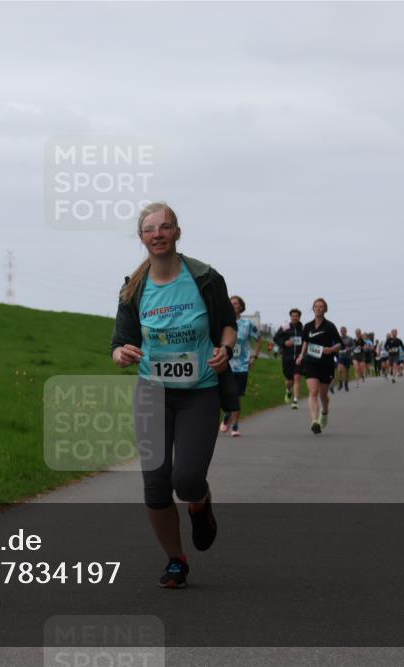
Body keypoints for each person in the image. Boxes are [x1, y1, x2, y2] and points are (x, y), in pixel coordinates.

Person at [111, 202, 237, 589]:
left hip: (199, 392)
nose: (158, 234)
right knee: (155, 481)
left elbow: (228, 327)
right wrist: (121, 354)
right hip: (152, 391)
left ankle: (200, 504)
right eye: (150, 229)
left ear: (177, 232)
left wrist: (225, 350)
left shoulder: (205, 278)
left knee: (187, 479)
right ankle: (175, 560)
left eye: (165, 227)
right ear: (142, 238)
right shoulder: (133, 288)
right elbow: (120, 344)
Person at [295, 298, 341, 434]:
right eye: (316, 306)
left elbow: (339, 344)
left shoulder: (330, 326)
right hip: (311, 362)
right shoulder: (308, 326)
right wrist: (301, 355)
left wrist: (331, 349)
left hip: (326, 363)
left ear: (325, 309)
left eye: (321, 307)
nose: (318, 308)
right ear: (313, 308)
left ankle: (325, 412)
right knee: (313, 391)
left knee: (323, 395)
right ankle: (314, 421)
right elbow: (305, 342)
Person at [219, 296, 260, 437]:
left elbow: (259, 338)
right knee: (226, 394)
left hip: (242, 366)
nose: (232, 305)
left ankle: (234, 424)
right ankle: (227, 415)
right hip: (225, 364)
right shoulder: (222, 322)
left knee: (237, 395)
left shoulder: (247, 324)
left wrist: (255, 356)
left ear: (241, 307)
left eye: (235, 303)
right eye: (230, 302)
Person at [273, 308, 305, 410]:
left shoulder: (303, 328)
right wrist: (284, 343)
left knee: (297, 378)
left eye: (296, 316)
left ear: (299, 317)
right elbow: (276, 338)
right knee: (289, 380)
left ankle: (295, 401)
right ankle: (288, 391)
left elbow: (307, 340)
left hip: (299, 357)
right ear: (290, 317)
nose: (294, 318)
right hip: (287, 357)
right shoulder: (285, 327)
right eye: (293, 316)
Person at [336, 326, 354, 392]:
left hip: (348, 357)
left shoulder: (350, 339)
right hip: (340, 356)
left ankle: (346, 384)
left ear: (346, 331)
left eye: (344, 331)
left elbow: (354, 346)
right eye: (341, 331)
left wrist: (349, 349)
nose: (342, 332)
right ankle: (340, 383)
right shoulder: (338, 338)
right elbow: (334, 345)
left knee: (347, 372)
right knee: (340, 370)